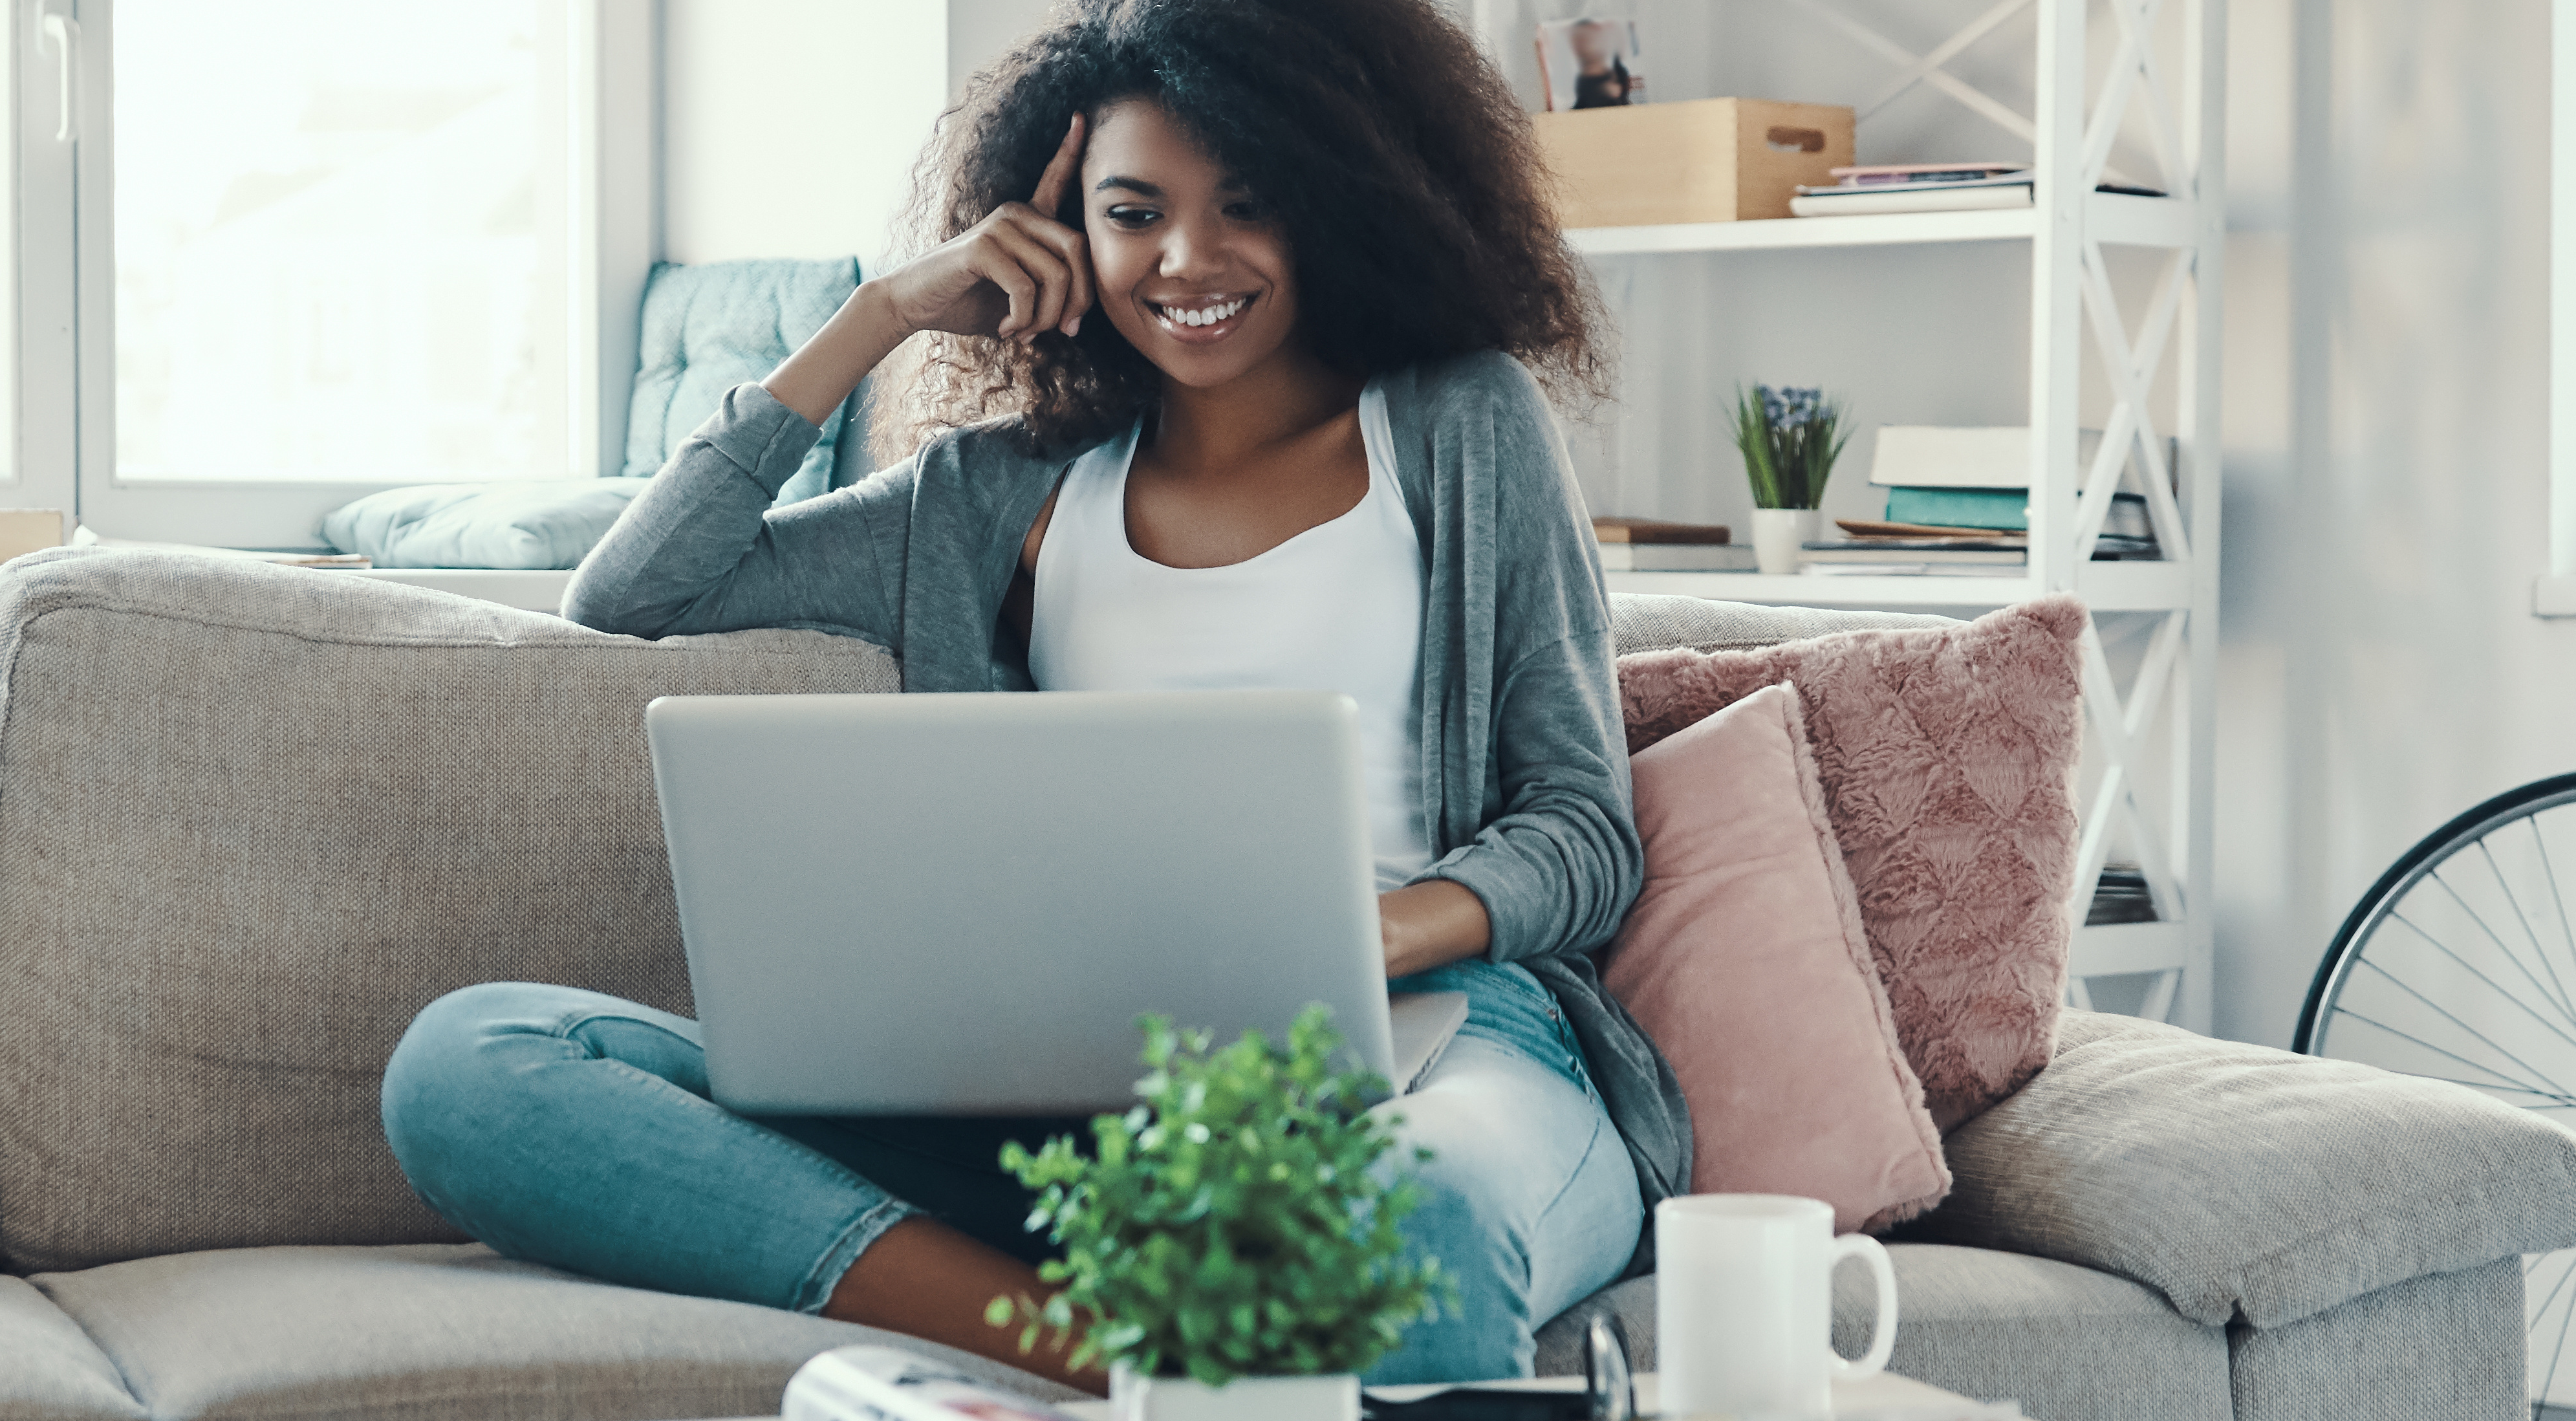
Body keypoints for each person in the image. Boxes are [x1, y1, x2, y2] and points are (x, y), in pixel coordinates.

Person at [376, 0, 1667, 1390]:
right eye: (1133, 211)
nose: (1187, 258)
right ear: (1063, 235)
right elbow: (634, 592)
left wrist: (1356, 940)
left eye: (1248, 202)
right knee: (475, 1061)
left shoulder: (1458, 422)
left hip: (1444, 1050)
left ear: (1341, 197)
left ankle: (1213, 1349)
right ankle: (1110, 1356)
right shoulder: (994, 491)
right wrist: (877, 315)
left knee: (1413, 1212)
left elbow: (1582, 831)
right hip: (1084, 1093)